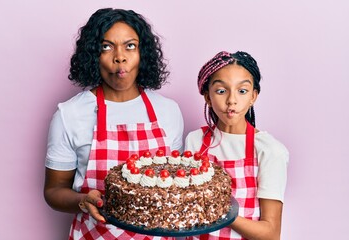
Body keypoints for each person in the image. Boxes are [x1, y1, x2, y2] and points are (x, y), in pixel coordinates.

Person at [44, 8, 184, 239]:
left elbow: (174, 182)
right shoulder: (69, 114)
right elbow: (53, 191)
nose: (120, 56)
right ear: (93, 55)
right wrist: (82, 200)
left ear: (143, 53)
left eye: (130, 46)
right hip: (94, 233)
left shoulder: (168, 111)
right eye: (106, 47)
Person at [185, 51, 289, 240]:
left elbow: (271, 234)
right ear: (208, 97)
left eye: (242, 91)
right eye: (221, 91)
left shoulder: (270, 150)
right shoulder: (195, 141)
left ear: (253, 97)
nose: (231, 100)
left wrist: (222, 212)